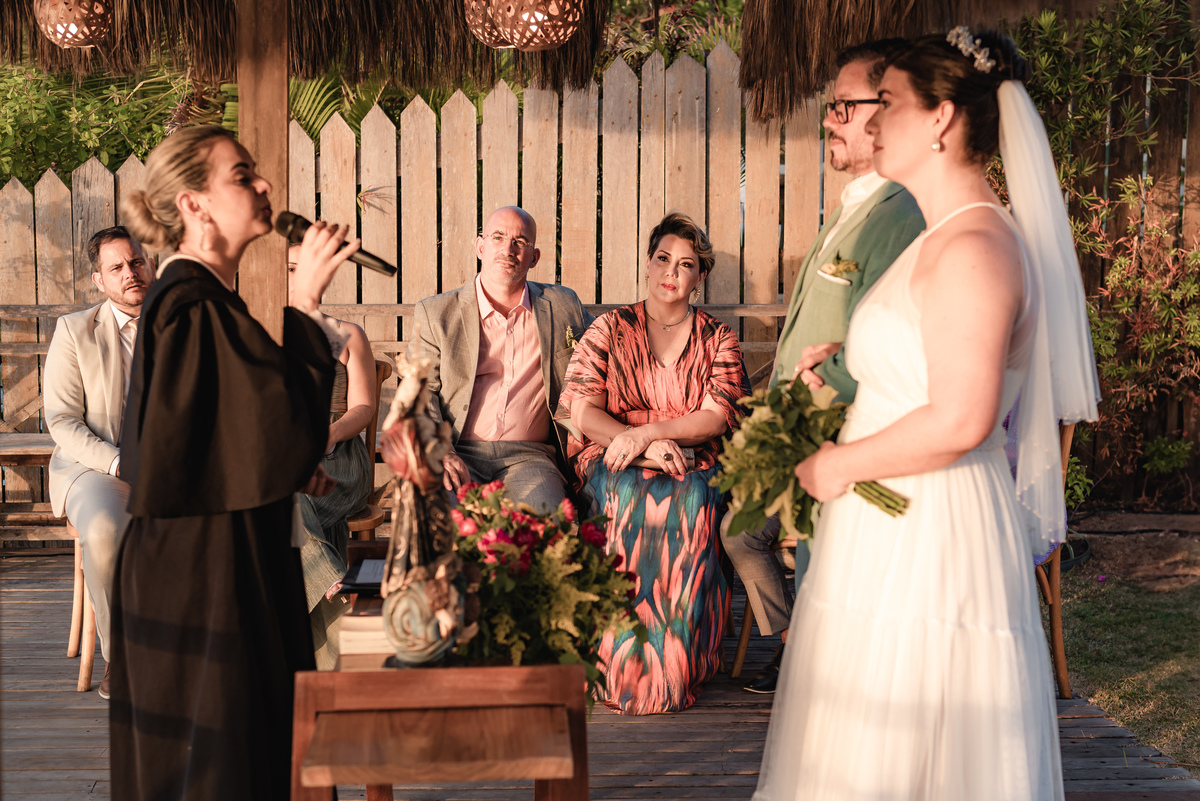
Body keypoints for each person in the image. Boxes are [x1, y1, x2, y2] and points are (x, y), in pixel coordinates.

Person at [753, 29, 1099, 800]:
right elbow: (926, 354)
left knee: (913, 742)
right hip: (890, 525)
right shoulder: (939, 235)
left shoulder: (977, 246)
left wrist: (837, 463)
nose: (874, 121)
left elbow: (962, 417)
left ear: (941, 118)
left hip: (933, 537)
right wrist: (855, 355)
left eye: (891, 103)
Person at [111, 124, 359, 799]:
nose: (265, 184)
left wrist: (288, 465)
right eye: (243, 175)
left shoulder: (206, 303)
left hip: (223, 559)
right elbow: (276, 428)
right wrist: (304, 302)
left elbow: (222, 432)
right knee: (221, 768)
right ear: (194, 204)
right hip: (201, 578)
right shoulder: (188, 305)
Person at [723, 37, 926, 695]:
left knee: (829, 589)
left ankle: (814, 673)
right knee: (759, 545)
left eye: (843, 106)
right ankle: (797, 651)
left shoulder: (902, 215)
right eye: (831, 107)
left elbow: (890, 336)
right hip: (803, 436)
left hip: (843, 437)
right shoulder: (851, 205)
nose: (830, 120)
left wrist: (814, 405)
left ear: (888, 108)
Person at [558, 212, 751, 715]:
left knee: (691, 496)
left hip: (692, 455)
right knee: (625, 494)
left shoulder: (717, 337)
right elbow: (582, 410)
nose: (671, 271)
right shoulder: (609, 328)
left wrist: (652, 432)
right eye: (663, 258)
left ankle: (675, 666)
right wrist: (638, 446)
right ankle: (616, 663)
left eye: (685, 264)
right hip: (613, 454)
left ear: (699, 276)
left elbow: (716, 415)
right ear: (648, 262)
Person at [413, 206, 592, 514]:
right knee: (442, 520)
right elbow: (419, 392)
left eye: (520, 241)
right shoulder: (436, 313)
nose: (508, 249)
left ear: (533, 257)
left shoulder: (562, 305)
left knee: (545, 522)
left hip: (530, 458)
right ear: (480, 246)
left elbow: (609, 347)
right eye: (498, 237)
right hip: (457, 451)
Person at [44, 225, 153, 701]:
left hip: (176, 468)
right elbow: (62, 420)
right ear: (99, 280)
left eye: (136, 262)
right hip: (99, 467)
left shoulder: (186, 325)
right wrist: (118, 463)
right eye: (117, 267)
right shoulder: (74, 331)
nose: (130, 273)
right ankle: (121, 655)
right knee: (106, 529)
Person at [287, 245, 377, 670]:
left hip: (338, 453)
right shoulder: (258, 333)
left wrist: (328, 435)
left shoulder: (347, 334)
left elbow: (364, 407)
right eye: (291, 268)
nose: (301, 276)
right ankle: (336, 590)